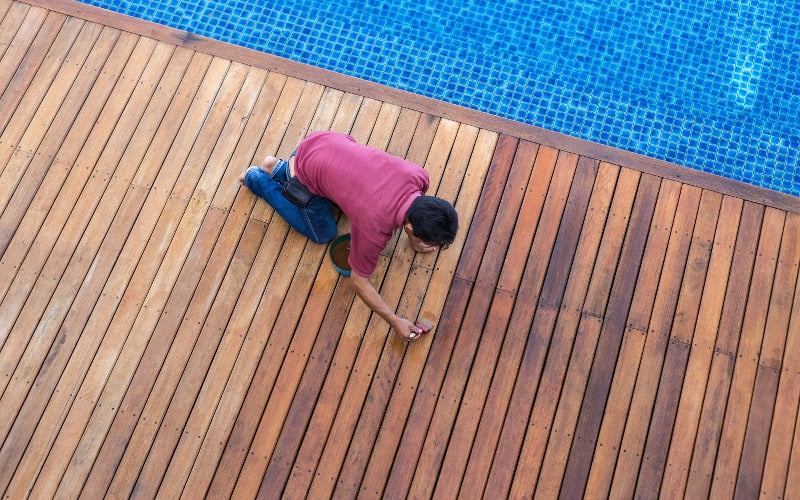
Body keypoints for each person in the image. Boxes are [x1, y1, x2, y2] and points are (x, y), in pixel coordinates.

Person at [238, 131, 458, 340]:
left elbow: (408, 209)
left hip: (324, 140)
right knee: (323, 233)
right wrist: (394, 320)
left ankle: (280, 168)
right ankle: (257, 178)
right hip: (307, 172)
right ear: (410, 229)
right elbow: (359, 282)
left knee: (337, 195)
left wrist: (415, 240)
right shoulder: (374, 227)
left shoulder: (418, 176)